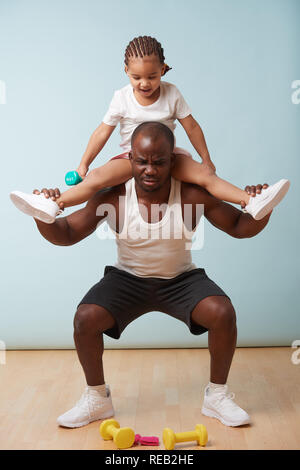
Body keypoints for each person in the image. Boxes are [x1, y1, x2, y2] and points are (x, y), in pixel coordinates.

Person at [31, 122, 287, 429]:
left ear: (172, 161)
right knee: (85, 317)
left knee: (222, 312)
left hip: (181, 280)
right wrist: (42, 212)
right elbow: (67, 233)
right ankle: (97, 398)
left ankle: (217, 397)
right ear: (130, 160)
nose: (149, 169)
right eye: (141, 161)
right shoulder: (113, 197)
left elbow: (239, 227)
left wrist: (263, 207)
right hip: (127, 279)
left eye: (159, 162)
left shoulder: (192, 195)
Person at [10, 35, 290, 224]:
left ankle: (250, 201)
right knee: (95, 178)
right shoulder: (121, 97)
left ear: (164, 70)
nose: (144, 83)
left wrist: (206, 158)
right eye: (136, 77)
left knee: (205, 177)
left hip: (169, 157)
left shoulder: (173, 93)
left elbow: (191, 127)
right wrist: (83, 165)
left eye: (152, 76)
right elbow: (102, 132)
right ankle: (54, 205)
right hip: (132, 158)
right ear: (125, 71)